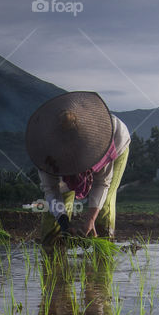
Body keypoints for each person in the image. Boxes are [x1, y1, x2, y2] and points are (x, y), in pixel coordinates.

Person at [25, 91, 131, 242]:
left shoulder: (98, 145)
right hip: (62, 162)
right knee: (54, 214)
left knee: (104, 206)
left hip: (115, 144)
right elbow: (52, 190)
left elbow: (102, 183)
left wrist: (90, 219)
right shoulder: (45, 152)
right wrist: (64, 224)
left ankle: (103, 250)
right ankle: (53, 249)